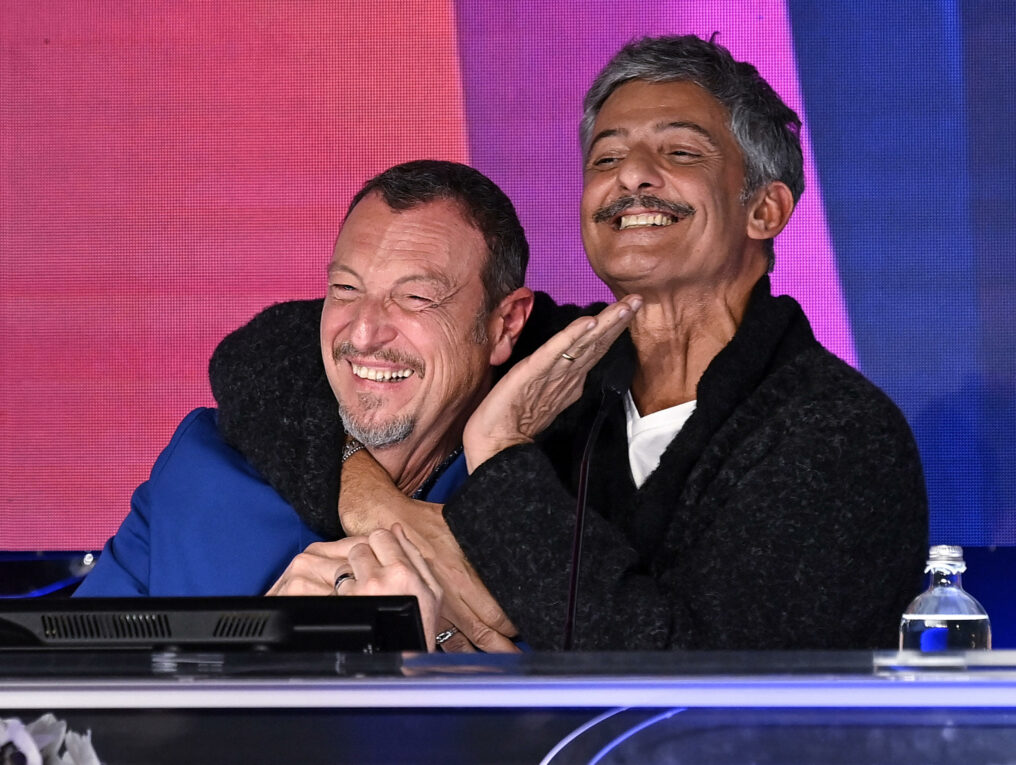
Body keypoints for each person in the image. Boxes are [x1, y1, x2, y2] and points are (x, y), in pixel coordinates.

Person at [331, 35, 929, 651]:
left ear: (765, 209)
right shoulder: (562, 355)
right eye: (606, 158)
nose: (632, 175)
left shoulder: (838, 432)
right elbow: (291, 351)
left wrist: (501, 454)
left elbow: (684, 672)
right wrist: (372, 498)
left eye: (680, 151)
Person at [75, 160, 638, 651]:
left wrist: (425, 682)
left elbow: (613, 714)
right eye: (345, 290)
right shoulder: (202, 466)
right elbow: (64, 696)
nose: (364, 333)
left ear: (505, 324)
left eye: (415, 297)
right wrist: (251, 652)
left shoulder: (559, 498)